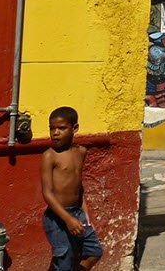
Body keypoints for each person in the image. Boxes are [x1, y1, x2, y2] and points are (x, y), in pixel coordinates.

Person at [39, 106, 103, 271]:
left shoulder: (81, 152)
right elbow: (47, 193)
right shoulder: (49, 156)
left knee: (94, 251)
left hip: (77, 213)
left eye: (61, 128)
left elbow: (78, 186)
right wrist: (67, 219)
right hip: (57, 217)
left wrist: (85, 213)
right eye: (52, 128)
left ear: (75, 128)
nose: (55, 133)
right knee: (64, 260)